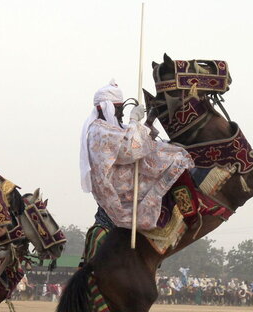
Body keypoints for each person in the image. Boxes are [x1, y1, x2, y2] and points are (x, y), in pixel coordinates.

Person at [80, 80, 194, 231]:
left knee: (170, 149)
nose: (121, 113)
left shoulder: (107, 128)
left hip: (124, 173)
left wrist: (149, 120)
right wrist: (134, 119)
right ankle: (190, 210)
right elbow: (130, 150)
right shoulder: (99, 130)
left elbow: (132, 139)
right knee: (176, 158)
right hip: (120, 185)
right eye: (118, 108)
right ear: (107, 107)